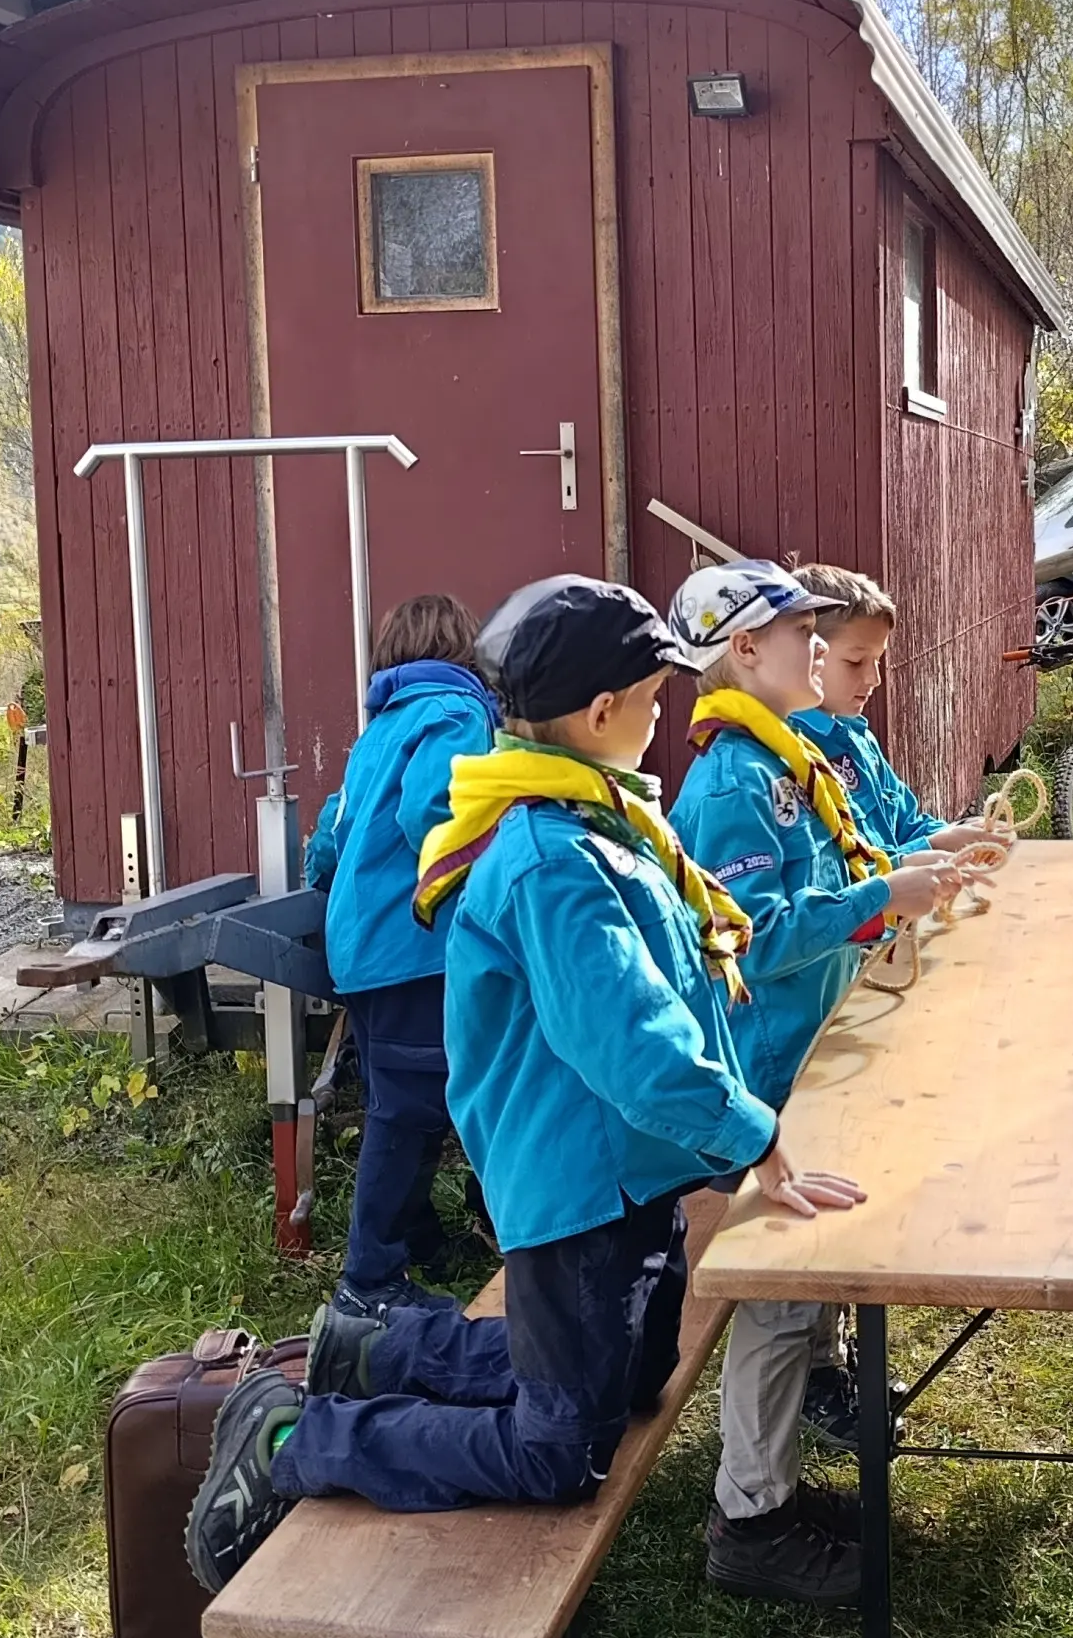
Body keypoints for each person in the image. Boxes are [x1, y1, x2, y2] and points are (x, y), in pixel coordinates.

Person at [184, 575, 861, 1581]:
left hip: (630, 1172)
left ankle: (377, 1352)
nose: (664, 708)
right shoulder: (556, 858)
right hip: (575, 1187)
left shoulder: (605, 815)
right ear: (600, 714)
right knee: (562, 1449)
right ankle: (300, 1439)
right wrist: (751, 1137)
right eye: (653, 694)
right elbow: (633, 1042)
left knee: (630, 1378)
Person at [668, 561, 957, 1606]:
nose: (818, 653)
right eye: (801, 637)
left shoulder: (785, 762)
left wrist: (887, 882)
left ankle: (776, 1479)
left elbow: (829, 877)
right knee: (777, 1299)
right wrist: (880, 897)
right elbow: (751, 936)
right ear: (747, 653)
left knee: (807, 1280)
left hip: (811, 1058)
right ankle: (751, 1517)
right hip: (766, 1070)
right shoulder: (732, 784)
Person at [303, 593, 500, 1319]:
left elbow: (334, 828)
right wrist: (499, 871)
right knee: (411, 1106)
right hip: (414, 944)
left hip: (360, 947)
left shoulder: (380, 728)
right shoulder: (457, 713)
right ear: (465, 652)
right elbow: (437, 814)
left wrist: (321, 875)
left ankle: (419, 1236)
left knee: (408, 1096)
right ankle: (370, 1275)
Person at [788, 565, 995, 862]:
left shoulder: (858, 738)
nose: (874, 679)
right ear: (808, 652)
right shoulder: (788, 757)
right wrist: (931, 848)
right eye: (855, 661)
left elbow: (905, 826)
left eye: (878, 661)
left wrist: (959, 834)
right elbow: (835, 880)